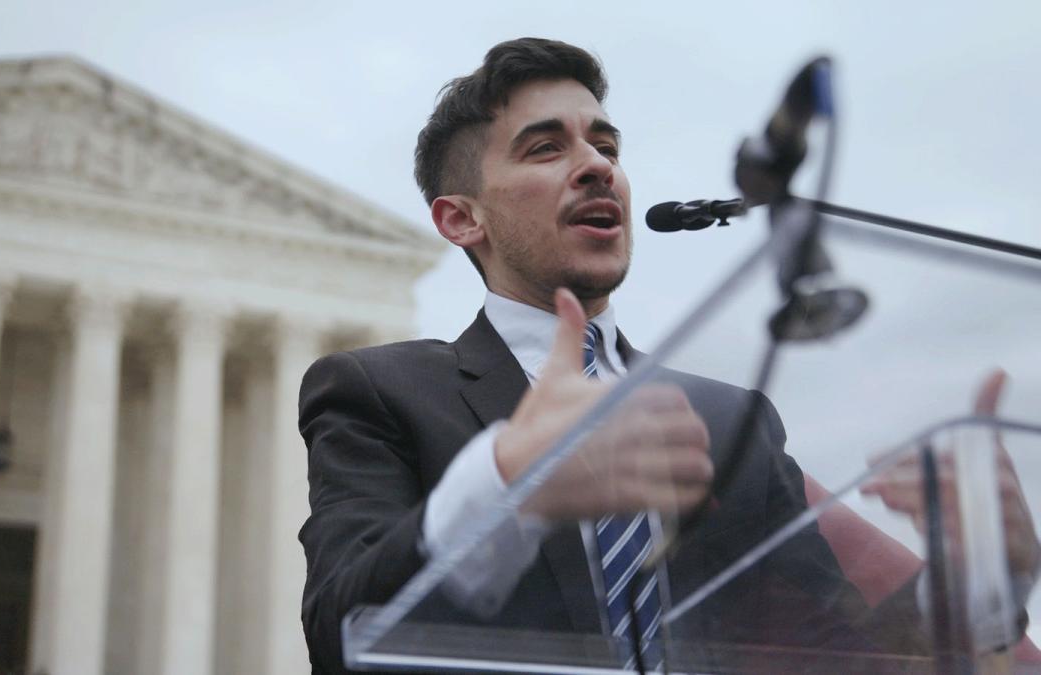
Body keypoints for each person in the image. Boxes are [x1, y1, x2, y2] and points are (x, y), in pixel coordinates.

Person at [297, 38, 1039, 674]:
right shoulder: (376, 390)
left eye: (606, 146)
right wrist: (508, 478)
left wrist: (980, 580)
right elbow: (339, 634)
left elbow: (835, 649)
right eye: (547, 146)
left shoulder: (731, 418)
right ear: (461, 218)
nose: (596, 166)